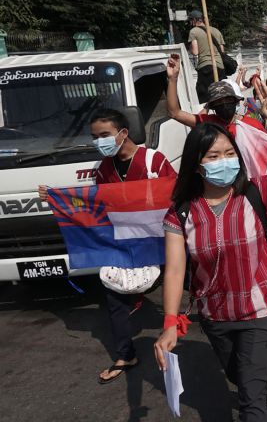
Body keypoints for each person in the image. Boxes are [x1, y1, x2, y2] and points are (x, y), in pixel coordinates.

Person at [154, 81, 267, 422]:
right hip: (216, 317)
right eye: (214, 156)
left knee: (251, 392)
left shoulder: (258, 192)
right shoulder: (182, 214)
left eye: (230, 153)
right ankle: (255, 394)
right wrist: (170, 322)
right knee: (242, 378)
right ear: (197, 163)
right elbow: (175, 270)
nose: (224, 161)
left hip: (263, 311)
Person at [39, 108, 176, 384]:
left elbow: (175, 195)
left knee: (185, 280)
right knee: (113, 297)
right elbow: (97, 207)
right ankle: (125, 355)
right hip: (123, 241)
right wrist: (58, 198)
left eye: (104, 135)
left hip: (159, 239)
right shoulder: (103, 170)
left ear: (123, 133)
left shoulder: (154, 161)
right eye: (94, 137)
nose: (98, 141)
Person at [165, 53, 265, 136]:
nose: (224, 104)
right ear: (212, 107)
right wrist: (173, 79)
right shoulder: (210, 124)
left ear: (236, 101)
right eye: (218, 102)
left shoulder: (252, 125)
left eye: (228, 100)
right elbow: (174, 113)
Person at [187, 9, 226, 104]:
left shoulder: (194, 31)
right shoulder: (216, 31)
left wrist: (190, 48)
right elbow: (222, 51)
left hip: (206, 67)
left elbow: (195, 52)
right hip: (220, 67)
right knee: (220, 94)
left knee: (204, 96)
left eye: (191, 21)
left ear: (194, 20)